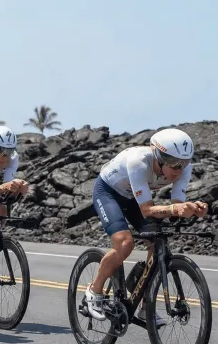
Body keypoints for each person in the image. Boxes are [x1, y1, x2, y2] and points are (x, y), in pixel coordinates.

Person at [85, 128, 208, 325]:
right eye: (175, 164)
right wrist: (176, 209)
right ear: (158, 157)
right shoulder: (138, 162)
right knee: (125, 243)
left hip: (133, 197)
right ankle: (95, 290)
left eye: (184, 163)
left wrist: (191, 209)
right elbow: (147, 210)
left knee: (156, 242)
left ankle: (145, 306)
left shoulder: (183, 169)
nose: (180, 169)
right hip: (108, 192)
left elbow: (175, 207)